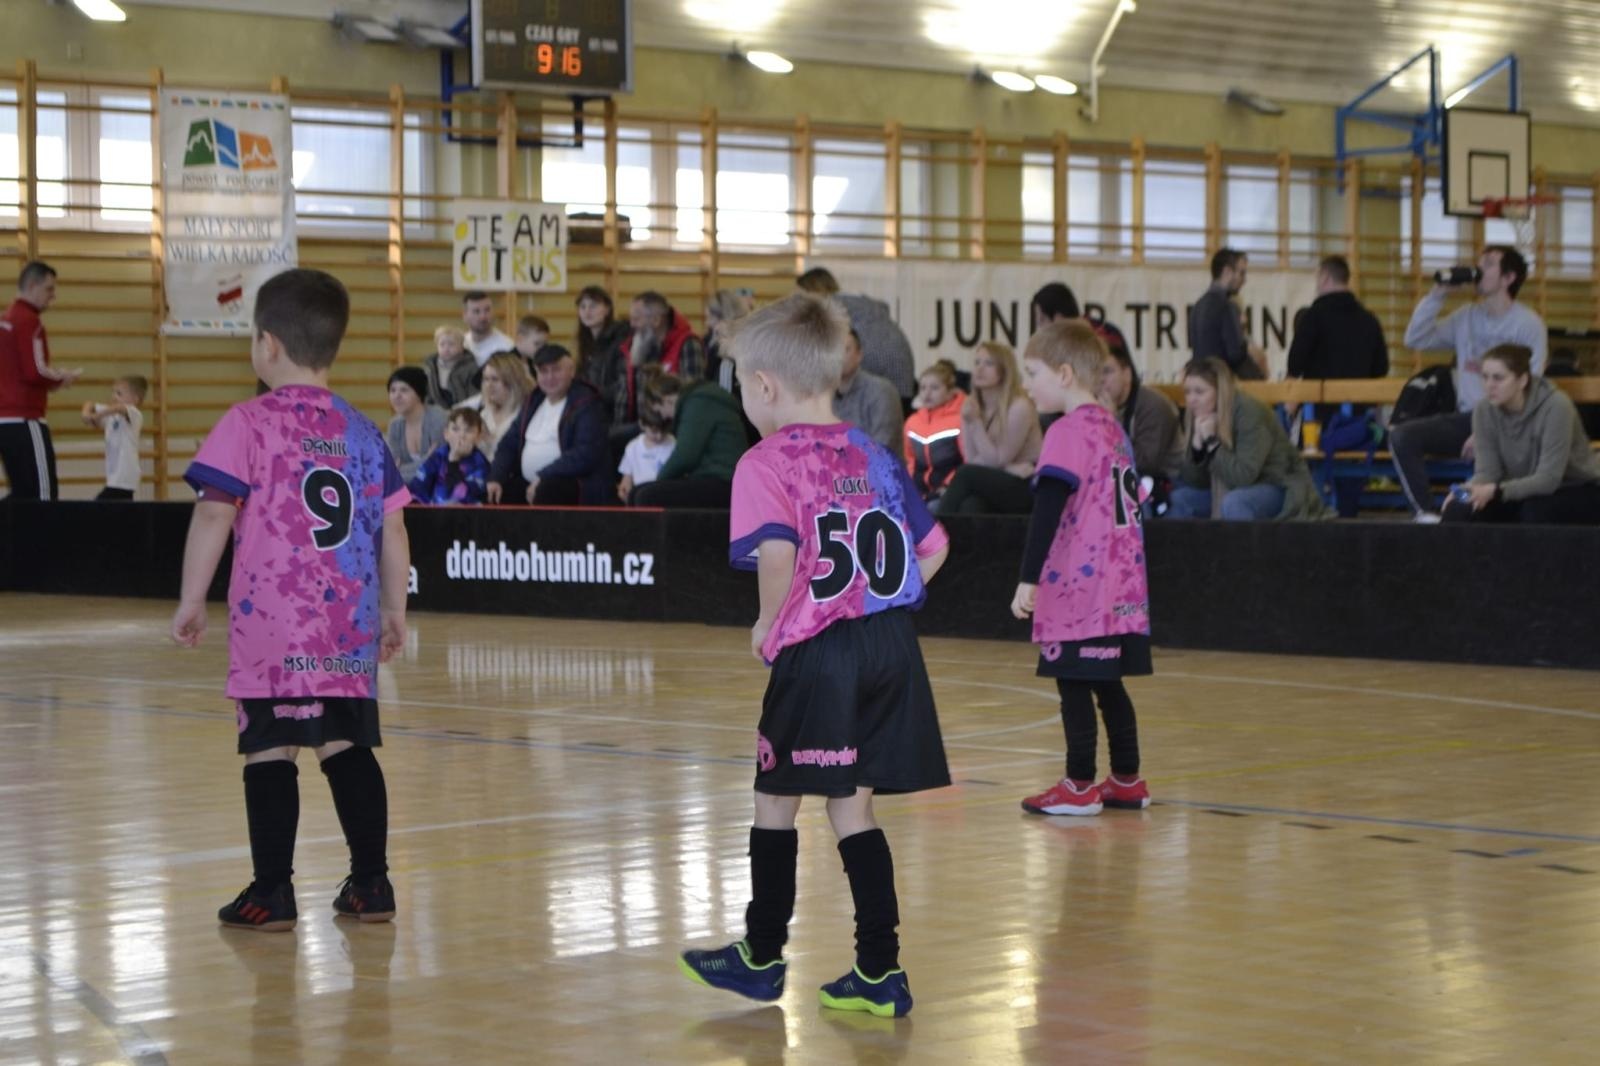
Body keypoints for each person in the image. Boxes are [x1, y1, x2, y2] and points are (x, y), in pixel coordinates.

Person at [677, 293, 950, 1018]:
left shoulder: (765, 462)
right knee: (853, 806)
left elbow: (778, 552)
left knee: (775, 797)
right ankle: (879, 969)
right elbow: (934, 548)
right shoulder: (875, 453)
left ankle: (761, 955)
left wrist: (770, 623)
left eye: (741, 382)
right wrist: (878, 597)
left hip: (820, 650)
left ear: (764, 386)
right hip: (892, 646)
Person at [170, 267, 408, 932]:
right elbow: (394, 529)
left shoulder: (247, 423)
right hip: (346, 626)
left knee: (271, 750)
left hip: (273, 627)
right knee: (346, 745)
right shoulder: (364, 430)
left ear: (266, 344)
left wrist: (192, 598)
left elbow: (213, 513)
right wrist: (395, 611)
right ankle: (372, 884)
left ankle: (271, 891)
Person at [1012, 320, 1152, 816]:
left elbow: (1048, 509)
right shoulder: (1113, 429)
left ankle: (1078, 784)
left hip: (1080, 585)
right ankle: (1127, 778)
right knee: (1107, 681)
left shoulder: (1066, 432)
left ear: (1065, 374)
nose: (1027, 385)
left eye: (1033, 374)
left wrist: (1028, 577)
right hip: (1123, 584)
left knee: (1072, 680)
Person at [1393, 245, 1547, 522]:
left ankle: (1472, 511)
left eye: (1488, 264)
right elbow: (1415, 339)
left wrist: (1488, 429)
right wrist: (1437, 295)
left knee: (1479, 498)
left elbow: (1531, 388)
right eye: (1479, 263)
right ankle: (1426, 514)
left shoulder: (1528, 324)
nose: (1479, 269)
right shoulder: (1466, 316)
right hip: (1467, 419)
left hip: (1510, 424)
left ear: (1508, 278)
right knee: (1402, 436)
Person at [1441, 344, 1600, 525]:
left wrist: (1494, 491)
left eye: (1498, 378)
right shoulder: (1484, 410)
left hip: (1576, 487)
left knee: (1534, 511)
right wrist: (1467, 490)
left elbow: (1548, 479)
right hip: (1518, 489)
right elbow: (1487, 473)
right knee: (1459, 507)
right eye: (1485, 377)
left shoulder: (1557, 406)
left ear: (1522, 380)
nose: (1489, 385)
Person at [1286, 254, 1389, 517]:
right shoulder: (1369, 319)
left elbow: (1295, 364)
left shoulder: (1313, 317)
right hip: (1357, 427)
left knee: (1308, 470)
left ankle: (1317, 514)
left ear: (1324, 278)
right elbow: (1381, 368)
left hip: (1319, 427)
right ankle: (1348, 514)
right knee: (1349, 486)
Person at [1169, 357, 1329, 520]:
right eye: (1187, 392)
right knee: (1181, 499)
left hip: (1279, 487)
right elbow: (1195, 482)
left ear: (1220, 390)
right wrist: (1197, 449)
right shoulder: (1200, 416)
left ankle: (1242, 539)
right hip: (1229, 488)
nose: (1191, 400)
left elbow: (1243, 477)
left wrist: (1212, 442)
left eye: (1199, 392)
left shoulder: (1249, 412)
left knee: (1235, 503)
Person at [486, 346, 610, 506]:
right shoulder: (533, 401)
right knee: (496, 493)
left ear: (572, 371)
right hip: (534, 481)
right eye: (543, 371)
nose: (550, 377)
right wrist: (496, 477)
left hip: (574, 484)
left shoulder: (586, 403)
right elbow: (509, 443)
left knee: (548, 490)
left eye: (556, 370)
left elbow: (584, 454)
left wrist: (544, 475)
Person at [1, 261, 80, 499]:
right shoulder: (29, 321)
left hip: (5, 422)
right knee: (43, 495)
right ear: (32, 286)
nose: (53, 296)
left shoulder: (5, 320)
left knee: (22, 494)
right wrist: (61, 378)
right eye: (49, 289)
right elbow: (35, 371)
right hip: (26, 420)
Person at [933, 342, 1042, 515]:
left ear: (1004, 370)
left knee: (965, 475)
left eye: (989, 363)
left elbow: (997, 460)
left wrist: (975, 422)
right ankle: (946, 532)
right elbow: (971, 458)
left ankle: (932, 531)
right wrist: (1008, 467)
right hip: (1001, 476)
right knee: (972, 504)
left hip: (1025, 483)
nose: (979, 369)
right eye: (977, 362)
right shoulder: (971, 405)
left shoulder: (1020, 406)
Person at [628, 368, 747, 508]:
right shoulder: (697, 400)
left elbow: (686, 456)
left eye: (660, 411)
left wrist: (659, 481)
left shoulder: (698, 403)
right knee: (636, 492)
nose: (664, 417)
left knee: (645, 496)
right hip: (717, 478)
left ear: (666, 400)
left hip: (724, 480)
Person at [796, 267, 916, 401]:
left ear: (813, 291)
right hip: (902, 370)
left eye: (802, 296)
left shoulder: (830, 308)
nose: (801, 303)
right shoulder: (864, 304)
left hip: (871, 368)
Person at [1097, 341, 1181, 498]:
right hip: (1124, 479)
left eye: (1107, 371)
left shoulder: (1153, 405)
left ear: (1127, 374)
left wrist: (1111, 423)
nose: (1101, 379)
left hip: (1167, 482)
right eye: (1096, 373)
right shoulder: (1097, 404)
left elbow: (1144, 463)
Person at [1190, 248, 1267, 380]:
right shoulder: (1227, 306)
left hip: (1201, 379)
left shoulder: (1198, 306)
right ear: (1227, 272)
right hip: (1221, 383)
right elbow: (1235, 354)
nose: (1244, 280)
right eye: (1241, 273)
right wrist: (1259, 379)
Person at [833, 328, 904, 454]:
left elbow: (882, 447)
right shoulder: (824, 395)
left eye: (846, 350)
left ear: (859, 355)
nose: (839, 357)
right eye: (833, 351)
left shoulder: (881, 391)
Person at [903, 360, 965, 501]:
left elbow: (966, 460)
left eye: (935, 388)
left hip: (948, 489)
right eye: (923, 388)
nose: (927, 393)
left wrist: (948, 485)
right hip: (919, 488)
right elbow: (910, 458)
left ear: (950, 393)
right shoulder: (912, 422)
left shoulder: (960, 420)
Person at [80, 374, 147, 500]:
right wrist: (86, 414)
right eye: (114, 392)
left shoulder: (135, 414)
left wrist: (97, 415)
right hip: (115, 478)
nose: (114, 396)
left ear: (135, 399)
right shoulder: (112, 417)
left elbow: (119, 408)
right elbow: (90, 404)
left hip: (125, 476)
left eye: (119, 394)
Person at [408, 406, 491, 506]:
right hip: (433, 513)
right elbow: (418, 487)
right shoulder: (438, 456)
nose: (461, 435)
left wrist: (454, 460)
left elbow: (463, 496)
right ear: (446, 434)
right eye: (455, 429)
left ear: (478, 437)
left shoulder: (481, 463)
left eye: (468, 430)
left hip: (466, 513)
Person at [573, 285, 630, 420]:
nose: (587, 312)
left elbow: (623, 386)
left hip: (613, 415)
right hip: (592, 411)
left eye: (593, 306)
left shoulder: (620, 340)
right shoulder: (586, 344)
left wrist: (591, 395)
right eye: (582, 307)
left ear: (607, 309)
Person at [384, 366, 448, 482]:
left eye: (404, 390)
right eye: (392, 390)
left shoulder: (438, 418)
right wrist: (426, 460)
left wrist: (400, 471)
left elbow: (437, 466)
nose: (397, 396)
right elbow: (392, 473)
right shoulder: (395, 425)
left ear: (419, 393)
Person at [473, 351, 533, 458]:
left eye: (495, 379)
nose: (489, 385)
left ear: (512, 381)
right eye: (486, 379)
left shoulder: (524, 416)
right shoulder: (484, 414)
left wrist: (490, 441)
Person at [616, 405, 675, 503]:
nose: (659, 436)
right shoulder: (632, 447)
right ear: (642, 425)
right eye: (654, 431)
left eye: (664, 431)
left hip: (665, 496)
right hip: (641, 498)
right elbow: (626, 479)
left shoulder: (673, 444)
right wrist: (625, 491)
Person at [421, 325, 478, 410]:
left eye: (451, 344)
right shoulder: (430, 367)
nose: (446, 348)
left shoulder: (470, 366)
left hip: (463, 409)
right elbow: (427, 393)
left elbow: (474, 394)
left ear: (462, 346)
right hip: (437, 409)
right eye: (442, 344)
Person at [461, 291, 514, 368]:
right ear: (465, 316)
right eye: (476, 311)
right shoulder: (461, 344)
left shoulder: (506, 347)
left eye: (487, 310)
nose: (483, 317)